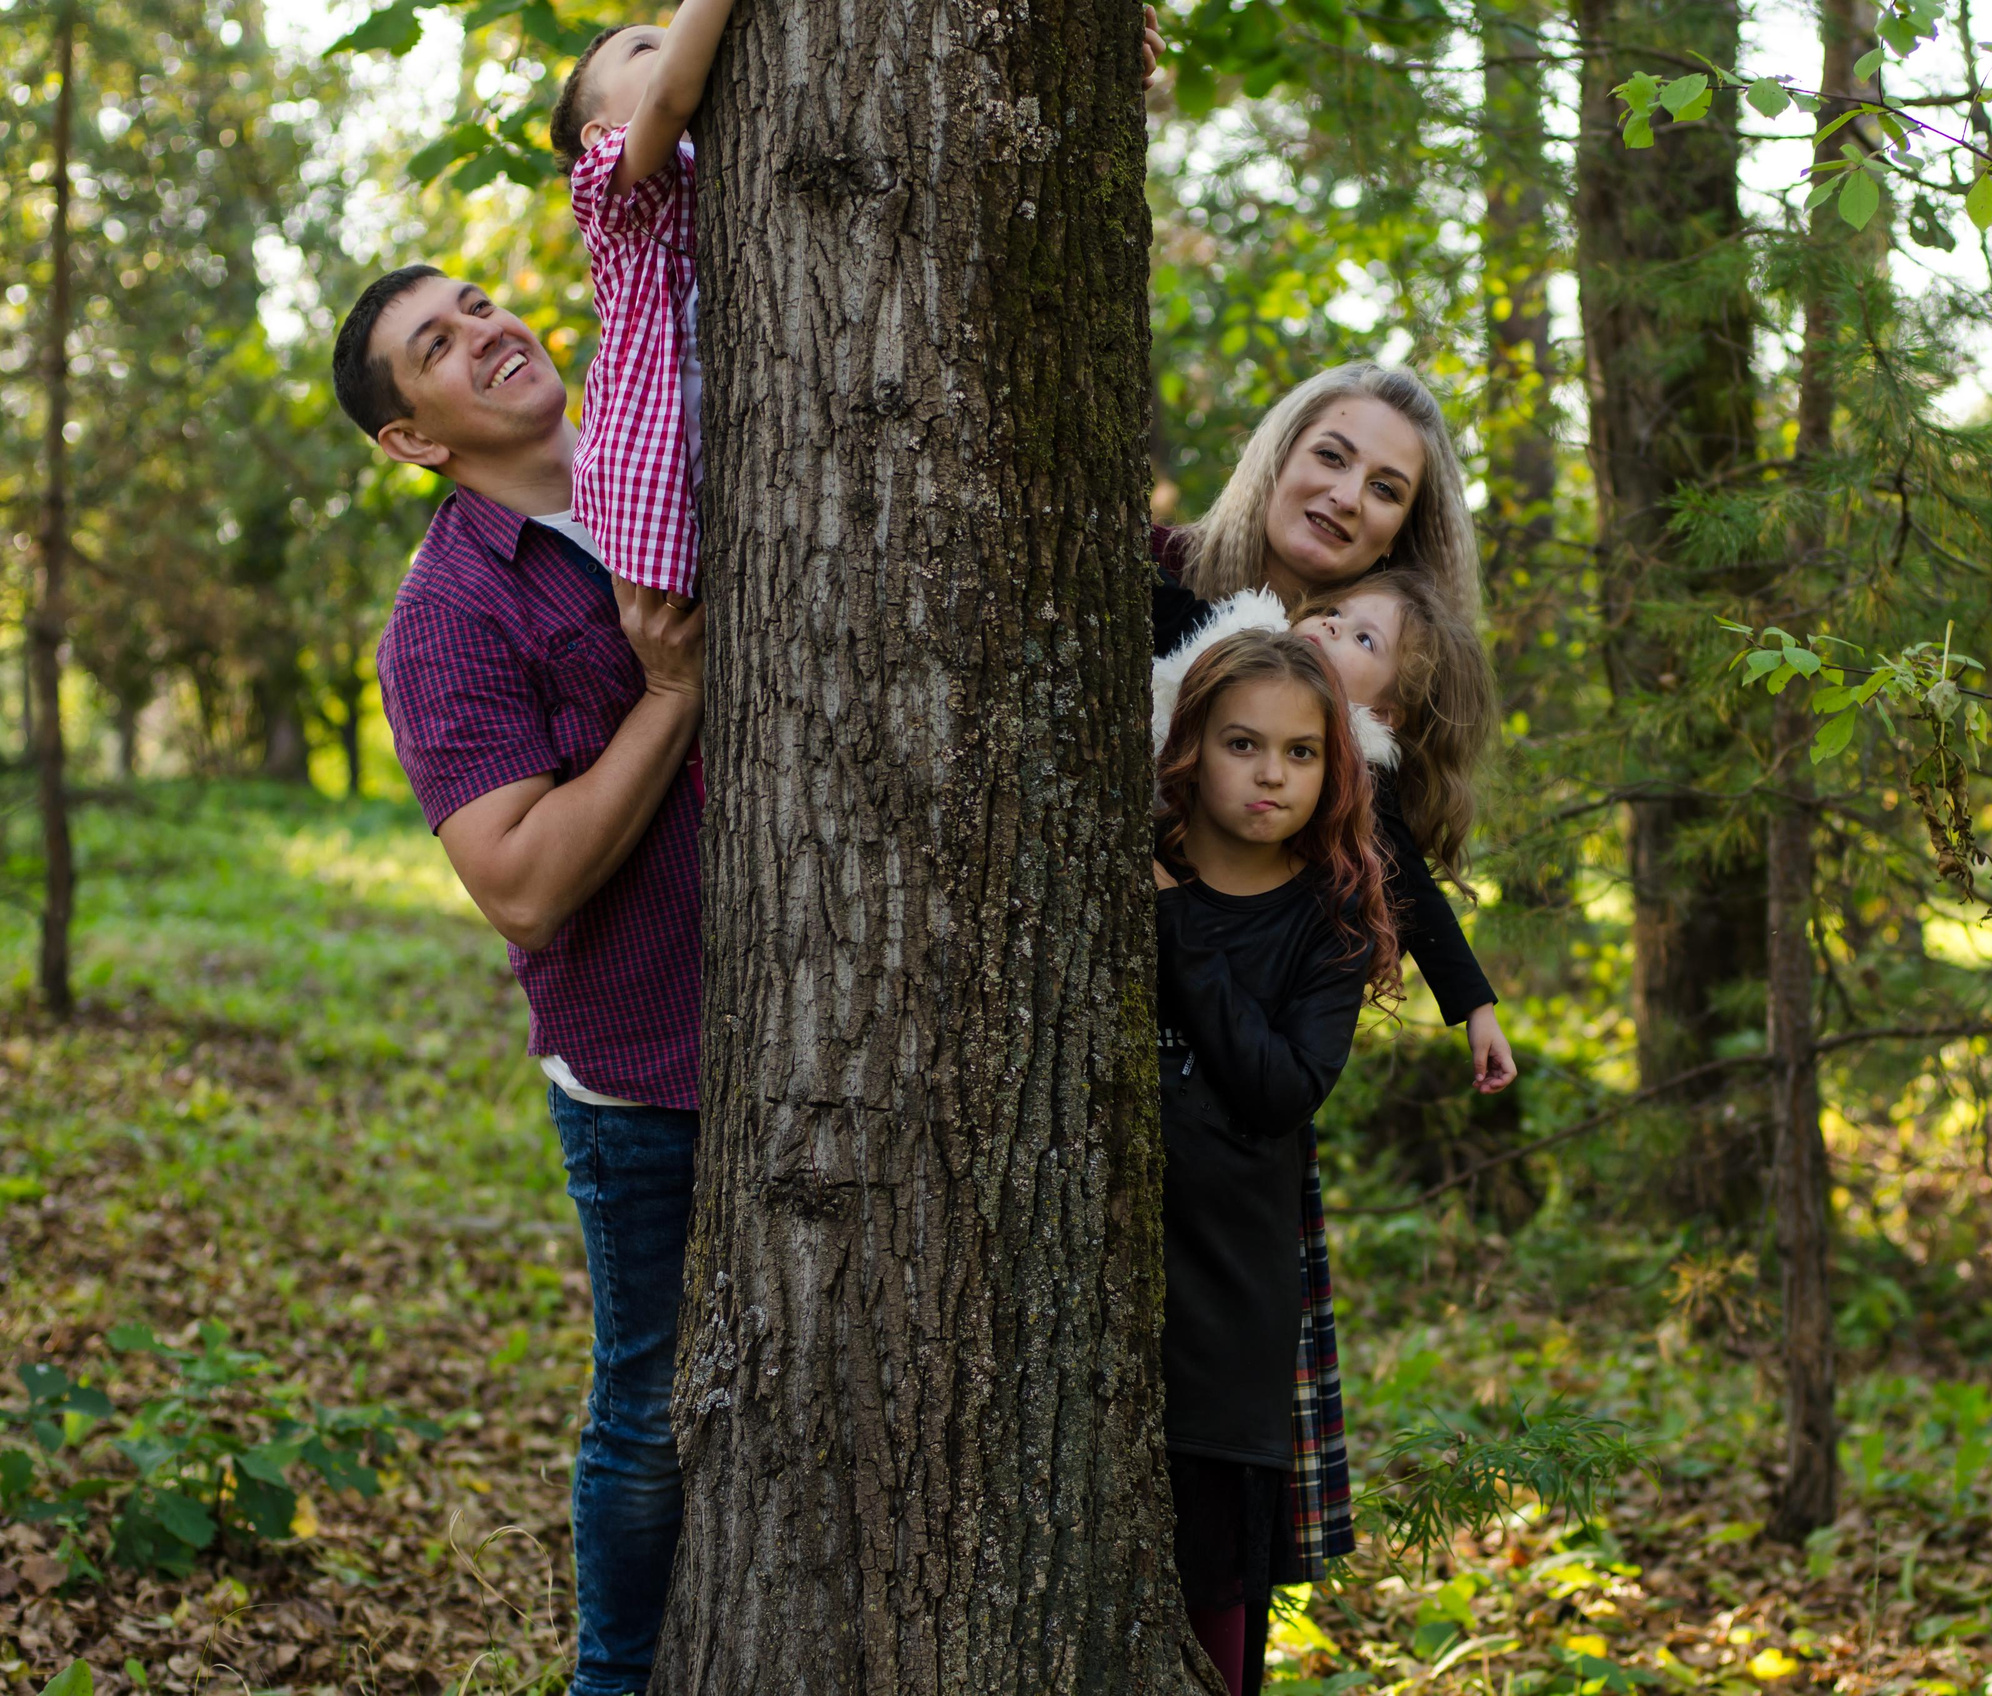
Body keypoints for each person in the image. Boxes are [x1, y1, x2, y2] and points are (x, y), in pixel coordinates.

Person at [330, 264, 702, 1696]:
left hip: (825, 1035)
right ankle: (615, 1682)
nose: (488, 329)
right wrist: (670, 695)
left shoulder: (669, 462)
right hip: (646, 1069)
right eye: (438, 343)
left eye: (480, 302)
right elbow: (522, 884)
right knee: (649, 1403)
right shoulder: (446, 617)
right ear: (412, 439)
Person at [546, 0, 1169, 598]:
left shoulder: (727, 161)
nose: (677, 38)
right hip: (652, 504)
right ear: (600, 133)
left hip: (732, 479)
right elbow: (668, 96)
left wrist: (1084, 73)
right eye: (644, 47)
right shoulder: (608, 190)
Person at [1151, 629, 1401, 1696]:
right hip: (1104, 1286)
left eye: (1300, 753)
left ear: (1331, 768)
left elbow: (1280, 1088)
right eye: (1242, 743)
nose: (1270, 774)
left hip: (1232, 1307)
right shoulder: (1118, 868)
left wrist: (1177, 926)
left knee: (1214, 1590)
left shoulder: (1328, 922)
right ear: (1190, 745)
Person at [1151, 362, 1513, 1092]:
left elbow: (1397, 863)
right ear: (1278, 455)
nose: (1347, 496)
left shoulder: (1352, 713)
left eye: (1385, 489)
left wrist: (1471, 1001)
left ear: (1398, 534)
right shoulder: (1147, 574)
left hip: (1228, 1076)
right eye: (1331, 455)